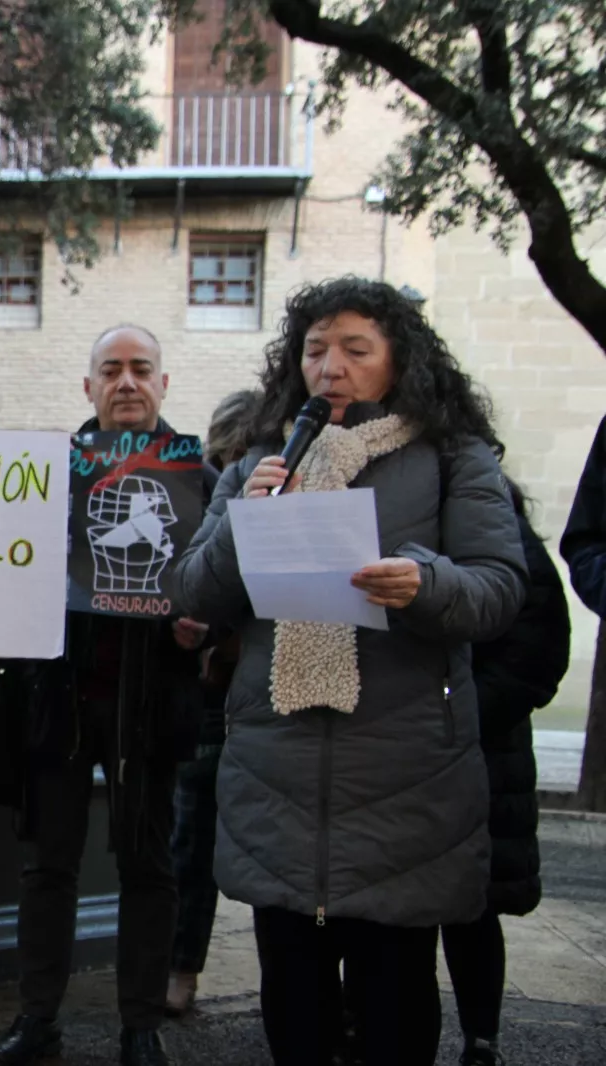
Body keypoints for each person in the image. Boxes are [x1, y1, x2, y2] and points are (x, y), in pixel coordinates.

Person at [176, 277, 527, 1066]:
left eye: (354, 350)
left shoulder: (452, 458)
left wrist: (425, 584)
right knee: (294, 1009)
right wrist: (244, 524)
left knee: (395, 1006)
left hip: (407, 780)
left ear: (399, 360)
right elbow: (193, 598)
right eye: (313, 350)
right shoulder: (263, 461)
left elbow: (501, 589)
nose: (329, 366)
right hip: (278, 776)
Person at [0, 326, 213, 1066]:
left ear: (164, 384)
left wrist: (202, 630)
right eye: (110, 371)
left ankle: (140, 1026)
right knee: (47, 869)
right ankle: (37, 1020)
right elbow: (0, 568)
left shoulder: (199, 482)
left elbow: (225, 592)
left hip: (152, 706)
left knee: (151, 869)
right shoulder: (49, 473)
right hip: (59, 703)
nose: (126, 383)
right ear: (87, 387)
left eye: (140, 370)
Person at [440, 480, 568, 1066]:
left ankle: (481, 1039)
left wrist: (456, 713)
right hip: (420, 742)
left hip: (483, 747)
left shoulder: (499, 525)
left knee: (473, 905)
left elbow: (537, 653)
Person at [164, 388, 256, 1018]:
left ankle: (178, 968)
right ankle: (178, 967)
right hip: (213, 695)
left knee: (189, 841)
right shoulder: (209, 501)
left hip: (223, 695)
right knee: (191, 839)